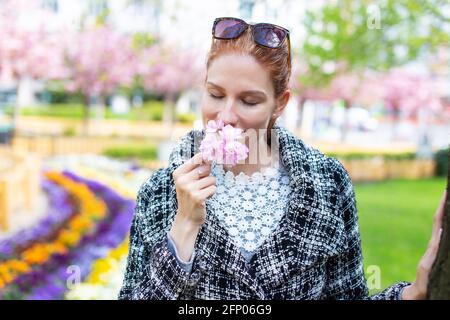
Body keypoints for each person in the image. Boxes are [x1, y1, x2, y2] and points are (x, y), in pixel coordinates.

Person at [118, 17, 445, 300]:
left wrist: (413, 292)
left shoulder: (329, 185)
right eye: (215, 94)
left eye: (249, 101)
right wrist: (184, 225)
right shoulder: (159, 191)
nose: (226, 115)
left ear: (280, 103)